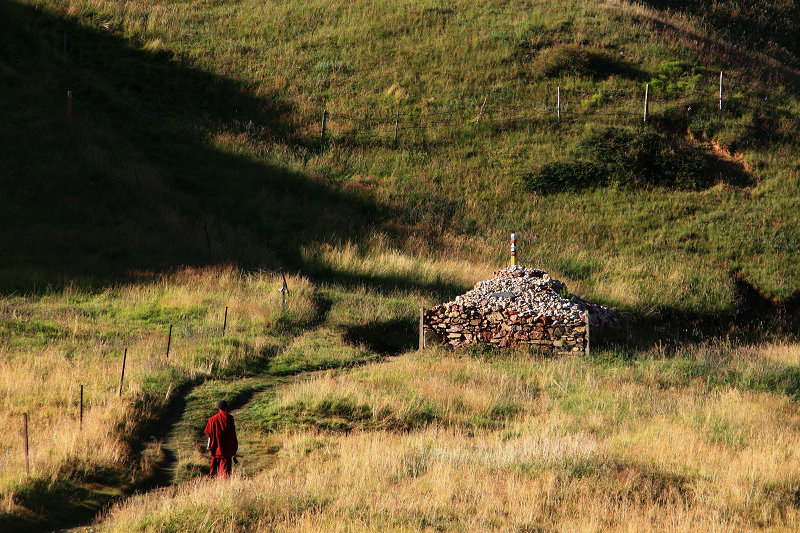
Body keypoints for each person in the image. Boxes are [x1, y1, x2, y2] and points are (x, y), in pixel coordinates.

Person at [204, 400, 238, 478]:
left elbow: (209, 434)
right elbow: (232, 433)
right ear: (226, 408)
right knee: (225, 472)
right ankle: (223, 485)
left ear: (218, 408)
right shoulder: (229, 418)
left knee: (214, 470)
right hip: (226, 448)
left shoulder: (212, 419)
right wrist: (234, 446)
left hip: (216, 448)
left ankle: (214, 484)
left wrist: (209, 445)